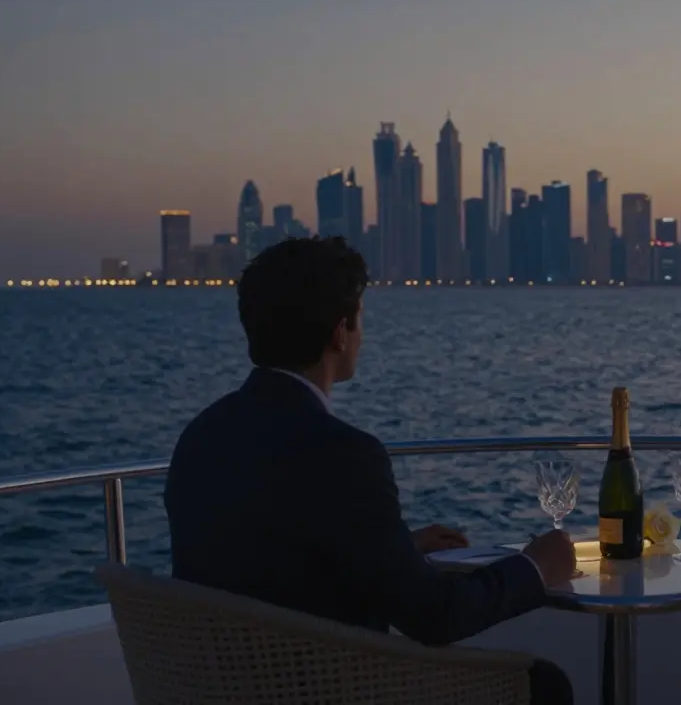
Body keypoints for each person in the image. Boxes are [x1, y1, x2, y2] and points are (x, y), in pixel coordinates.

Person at [165, 237, 576, 704]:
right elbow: (434, 617)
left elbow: (265, 557)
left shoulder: (201, 437)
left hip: (222, 690)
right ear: (340, 333)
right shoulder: (344, 454)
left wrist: (394, 548)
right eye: (360, 319)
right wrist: (535, 567)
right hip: (330, 689)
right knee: (544, 686)